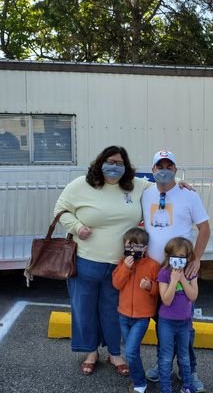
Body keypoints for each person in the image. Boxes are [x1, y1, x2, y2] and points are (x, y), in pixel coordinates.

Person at [54, 145, 153, 376]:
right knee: (84, 309)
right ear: (100, 163)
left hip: (122, 265)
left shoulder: (136, 186)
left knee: (113, 311)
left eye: (120, 163)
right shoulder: (81, 185)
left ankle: (114, 353)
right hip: (85, 260)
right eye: (110, 161)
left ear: (126, 166)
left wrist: (182, 184)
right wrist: (77, 226)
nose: (114, 166)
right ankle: (90, 352)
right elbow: (60, 210)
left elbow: (162, 183)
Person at [142, 150, 210, 392]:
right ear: (152, 170)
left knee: (184, 325)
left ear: (175, 168)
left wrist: (197, 259)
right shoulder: (145, 192)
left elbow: (204, 228)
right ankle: (164, 366)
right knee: (162, 321)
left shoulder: (188, 194)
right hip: (156, 273)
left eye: (169, 166)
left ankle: (188, 370)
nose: (164, 169)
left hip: (180, 270)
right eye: (159, 166)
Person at [112, 227, 160, 393]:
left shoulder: (153, 265)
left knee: (130, 352)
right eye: (128, 247)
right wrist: (125, 267)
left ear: (145, 248)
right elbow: (117, 284)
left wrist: (150, 286)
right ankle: (138, 378)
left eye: (136, 247)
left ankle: (139, 384)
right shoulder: (122, 262)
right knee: (132, 351)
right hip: (123, 315)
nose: (132, 250)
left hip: (142, 317)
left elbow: (160, 290)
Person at [158, 237, 199, 393]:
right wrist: (174, 281)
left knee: (185, 357)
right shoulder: (164, 273)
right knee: (166, 357)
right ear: (169, 256)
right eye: (176, 256)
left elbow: (193, 296)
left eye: (183, 257)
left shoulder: (190, 273)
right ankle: (165, 388)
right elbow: (166, 300)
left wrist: (182, 278)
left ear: (188, 257)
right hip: (167, 322)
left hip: (184, 322)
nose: (179, 260)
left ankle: (187, 386)